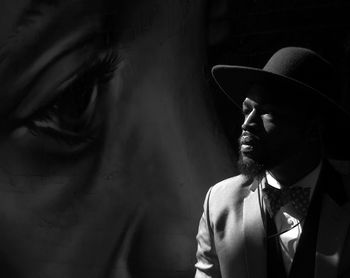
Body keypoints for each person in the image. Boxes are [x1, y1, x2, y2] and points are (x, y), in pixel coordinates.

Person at [194, 47, 350, 278]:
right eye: (246, 110)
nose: (247, 124)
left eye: (268, 113)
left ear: (313, 128)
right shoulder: (219, 203)